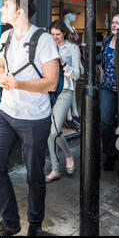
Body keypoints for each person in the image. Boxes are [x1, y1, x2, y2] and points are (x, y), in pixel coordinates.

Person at [0, 0, 59, 237]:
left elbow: (51, 82)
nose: (1, 10)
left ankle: (35, 226)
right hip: (6, 113)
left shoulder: (44, 40)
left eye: (5, 5)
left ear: (19, 12)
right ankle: (10, 222)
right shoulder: (5, 36)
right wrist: (2, 78)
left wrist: (19, 84)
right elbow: (1, 67)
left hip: (34, 118)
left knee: (34, 175)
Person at [45, 20, 82, 183]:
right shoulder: (47, 46)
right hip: (48, 90)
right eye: (52, 34)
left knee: (55, 130)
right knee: (49, 132)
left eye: (57, 35)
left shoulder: (72, 48)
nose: (54, 38)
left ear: (64, 33)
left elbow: (78, 74)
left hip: (65, 90)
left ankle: (68, 155)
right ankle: (55, 169)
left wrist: (63, 63)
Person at [99, 13, 119, 171]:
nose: (114, 25)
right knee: (105, 121)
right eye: (113, 22)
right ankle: (111, 152)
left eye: (118, 23)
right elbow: (102, 61)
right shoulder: (107, 40)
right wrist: (101, 74)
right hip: (107, 87)